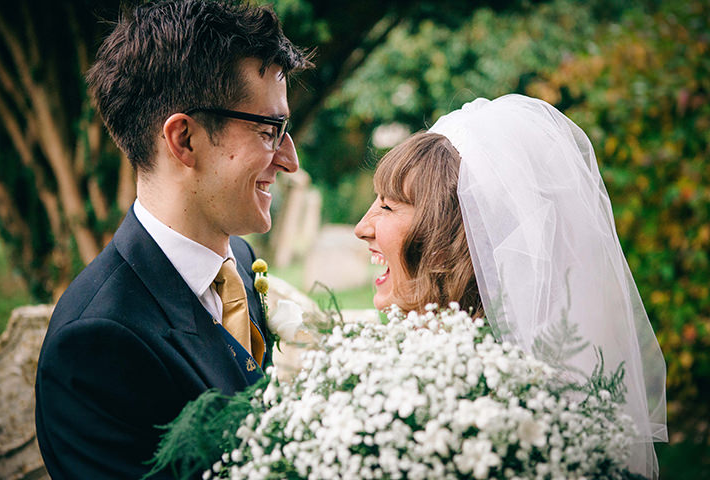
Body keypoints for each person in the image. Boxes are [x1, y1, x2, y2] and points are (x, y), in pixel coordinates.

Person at [34, 1, 312, 478]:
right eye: (269, 130)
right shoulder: (95, 348)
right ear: (183, 139)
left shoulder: (238, 262)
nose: (290, 160)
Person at [355, 94, 667, 478]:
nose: (362, 226)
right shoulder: (413, 368)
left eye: (387, 207)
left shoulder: (513, 409)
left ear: (451, 240)